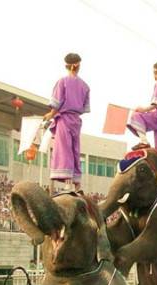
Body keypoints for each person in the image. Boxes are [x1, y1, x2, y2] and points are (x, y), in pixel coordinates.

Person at [44, 53, 90, 192]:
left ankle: (68, 183)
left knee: (65, 150)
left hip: (65, 118)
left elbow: (56, 104)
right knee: (75, 150)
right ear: (77, 65)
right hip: (76, 120)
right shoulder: (85, 86)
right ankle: (77, 183)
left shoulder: (63, 82)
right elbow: (84, 108)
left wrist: (49, 115)